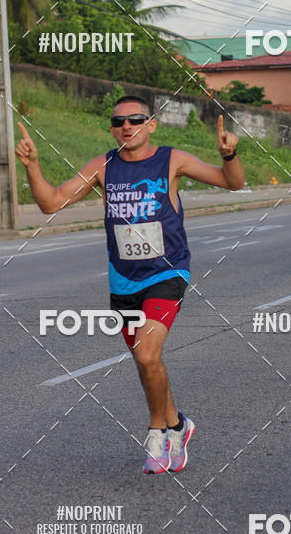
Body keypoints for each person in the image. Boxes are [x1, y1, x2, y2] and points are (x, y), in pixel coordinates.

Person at [16, 96, 244, 474]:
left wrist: (229, 157)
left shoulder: (172, 160)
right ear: (111, 128)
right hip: (124, 280)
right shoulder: (103, 167)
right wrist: (33, 166)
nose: (127, 126)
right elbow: (51, 203)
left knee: (148, 354)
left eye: (136, 119)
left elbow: (231, 183)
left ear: (151, 124)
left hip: (167, 273)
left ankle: (157, 432)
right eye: (119, 121)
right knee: (145, 362)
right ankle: (178, 425)